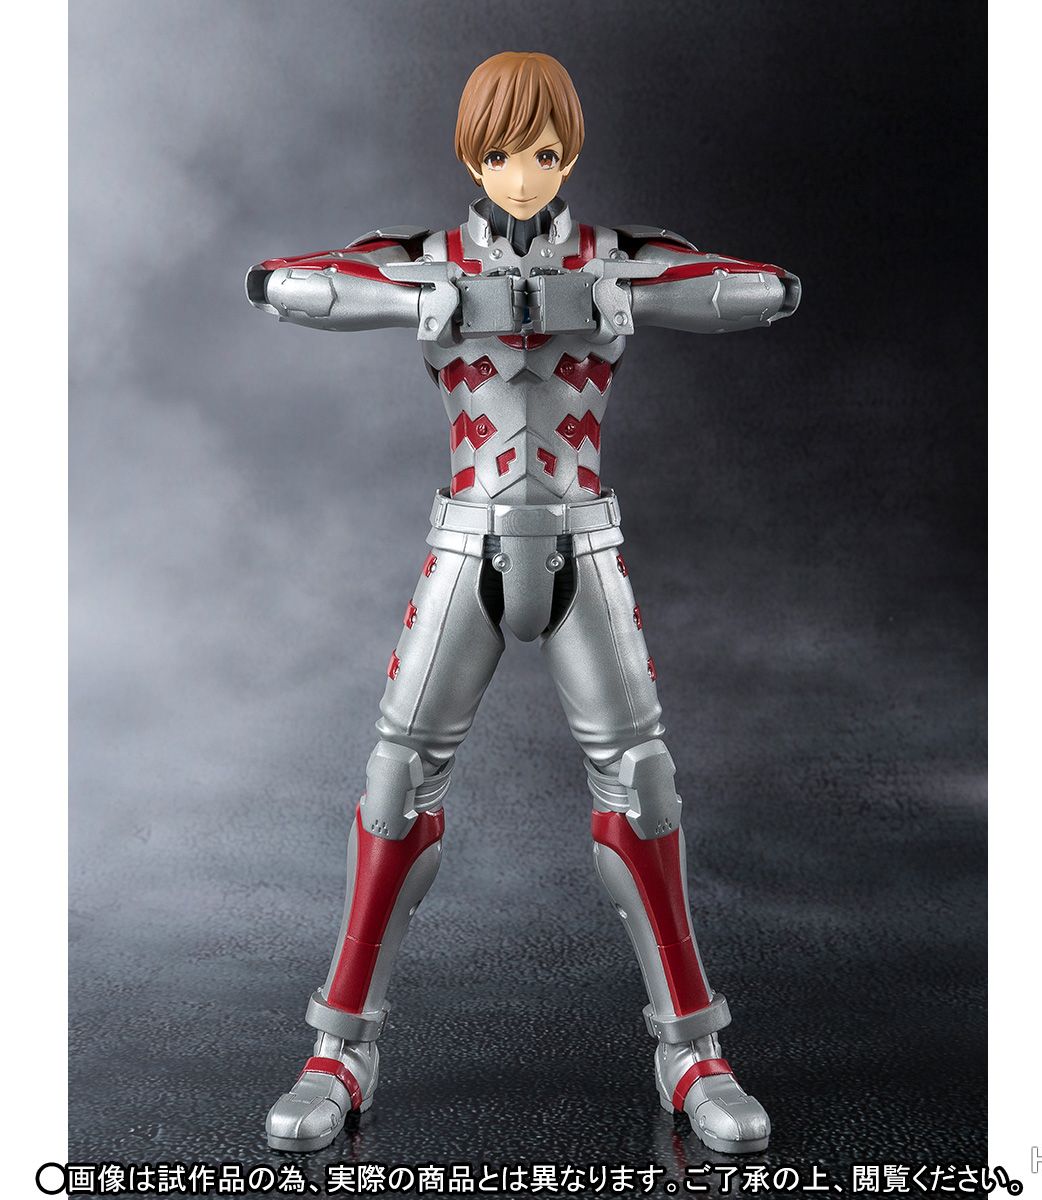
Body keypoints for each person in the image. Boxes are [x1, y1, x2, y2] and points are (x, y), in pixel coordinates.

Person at [246, 50, 800, 1155]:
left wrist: (617, 296)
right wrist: (432, 298)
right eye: (500, 152)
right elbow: (284, 283)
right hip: (467, 543)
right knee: (395, 782)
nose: (521, 173)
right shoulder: (426, 257)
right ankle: (339, 1050)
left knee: (643, 784)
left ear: (568, 153)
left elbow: (764, 288)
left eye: (542, 152)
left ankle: (692, 1049)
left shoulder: (618, 256)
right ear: (472, 155)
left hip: (585, 542)